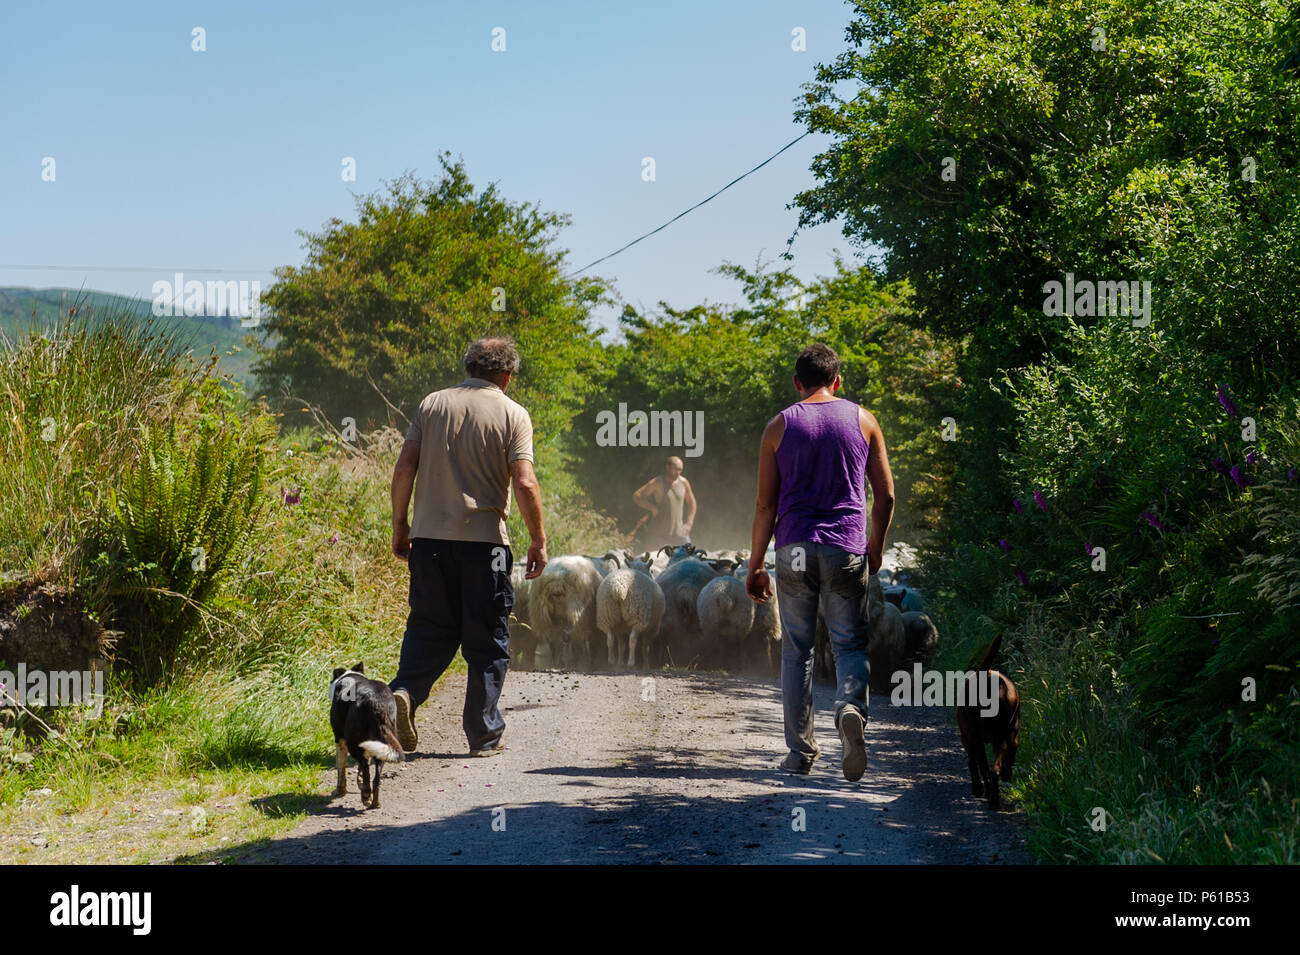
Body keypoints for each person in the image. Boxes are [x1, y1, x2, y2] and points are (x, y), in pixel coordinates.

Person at [388, 337, 547, 757]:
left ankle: (403, 693)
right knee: (488, 637)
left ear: (469, 367)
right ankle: (483, 734)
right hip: (485, 545)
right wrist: (538, 540)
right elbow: (525, 481)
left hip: (429, 542)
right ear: (507, 376)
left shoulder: (431, 404)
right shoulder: (513, 414)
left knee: (428, 628)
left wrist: (400, 525)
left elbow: (404, 468)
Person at [745, 343, 895, 781]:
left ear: (797, 382)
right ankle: (850, 708)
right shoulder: (863, 420)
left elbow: (764, 506)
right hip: (847, 546)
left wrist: (755, 565)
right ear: (838, 380)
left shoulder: (778, 427)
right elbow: (885, 495)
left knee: (797, 650)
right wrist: (876, 547)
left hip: (793, 548)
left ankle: (800, 753)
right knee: (848, 644)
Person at [632, 455, 697, 550]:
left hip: (679, 534)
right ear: (668, 467)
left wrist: (689, 523)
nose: (678, 473)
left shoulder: (683, 482)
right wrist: (652, 508)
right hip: (658, 534)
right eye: (675, 469)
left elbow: (692, 503)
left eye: (680, 470)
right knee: (652, 561)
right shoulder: (658, 482)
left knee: (690, 559)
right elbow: (637, 496)